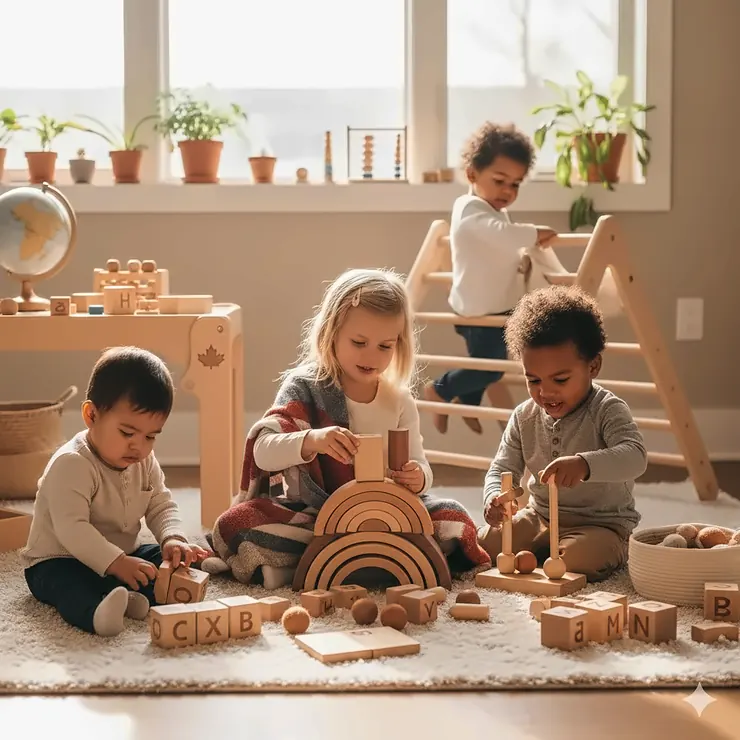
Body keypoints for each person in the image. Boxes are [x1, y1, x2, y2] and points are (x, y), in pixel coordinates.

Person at [204, 268, 491, 587]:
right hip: (318, 512)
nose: (372, 355)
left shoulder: (398, 400)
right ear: (331, 332)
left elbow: (420, 463)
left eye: (385, 346)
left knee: (454, 516)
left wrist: (418, 476)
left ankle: (314, 564)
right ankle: (375, 562)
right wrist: (311, 440)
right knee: (236, 523)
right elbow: (262, 452)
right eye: (359, 342)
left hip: (388, 513)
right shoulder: (305, 387)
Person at [21, 347, 208, 637]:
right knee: (70, 586)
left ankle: (132, 595)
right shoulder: (71, 463)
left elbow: (161, 503)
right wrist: (116, 563)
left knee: (160, 560)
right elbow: (73, 529)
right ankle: (97, 614)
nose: (139, 446)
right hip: (59, 559)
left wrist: (173, 538)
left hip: (121, 554)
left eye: (151, 436)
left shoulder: (143, 460)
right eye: (127, 433)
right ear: (92, 415)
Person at [477, 286, 648, 582]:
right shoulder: (523, 416)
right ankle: (545, 547)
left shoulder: (607, 409)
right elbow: (502, 467)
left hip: (601, 525)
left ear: (593, 366)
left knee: (577, 559)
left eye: (560, 379)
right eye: (533, 380)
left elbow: (635, 457)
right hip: (540, 516)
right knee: (487, 543)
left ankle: (600, 549)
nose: (546, 392)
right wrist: (494, 496)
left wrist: (585, 464)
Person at [424, 121, 558, 435]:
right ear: (472, 175)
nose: (508, 192)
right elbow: (498, 235)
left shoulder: (493, 211)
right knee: (490, 366)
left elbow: (500, 246)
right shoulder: (470, 210)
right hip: (478, 310)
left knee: (486, 365)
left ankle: (467, 404)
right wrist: (533, 233)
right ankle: (440, 390)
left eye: (515, 184)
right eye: (499, 181)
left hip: (494, 308)